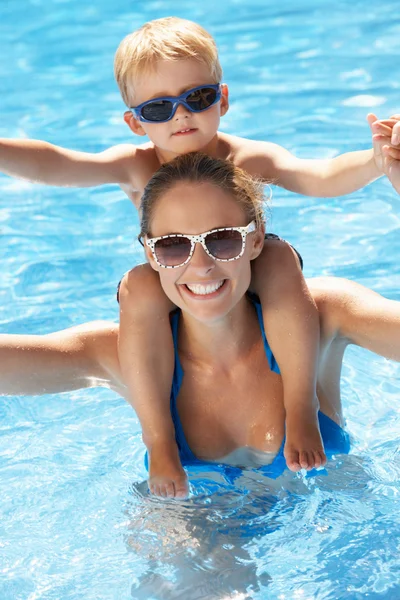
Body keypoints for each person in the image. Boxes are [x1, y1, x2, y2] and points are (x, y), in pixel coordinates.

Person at [0, 17, 399, 498]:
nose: (181, 116)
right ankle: (161, 441)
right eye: (159, 107)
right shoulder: (135, 167)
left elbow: (319, 175)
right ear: (136, 120)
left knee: (276, 261)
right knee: (140, 286)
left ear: (222, 98)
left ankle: (300, 406)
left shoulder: (249, 163)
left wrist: (378, 161)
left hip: (260, 276)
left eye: (199, 98)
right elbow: (58, 163)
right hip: (169, 293)